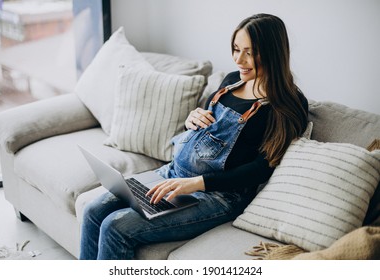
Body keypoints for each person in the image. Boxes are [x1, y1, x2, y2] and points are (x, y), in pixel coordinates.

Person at [79, 13, 309, 260]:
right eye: (235, 49)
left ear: (272, 53)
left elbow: (262, 168)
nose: (239, 60)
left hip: (219, 196)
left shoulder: (288, 104)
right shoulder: (232, 80)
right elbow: (208, 129)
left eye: (249, 53)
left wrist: (198, 183)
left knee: (116, 226)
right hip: (173, 174)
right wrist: (193, 119)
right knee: (94, 209)